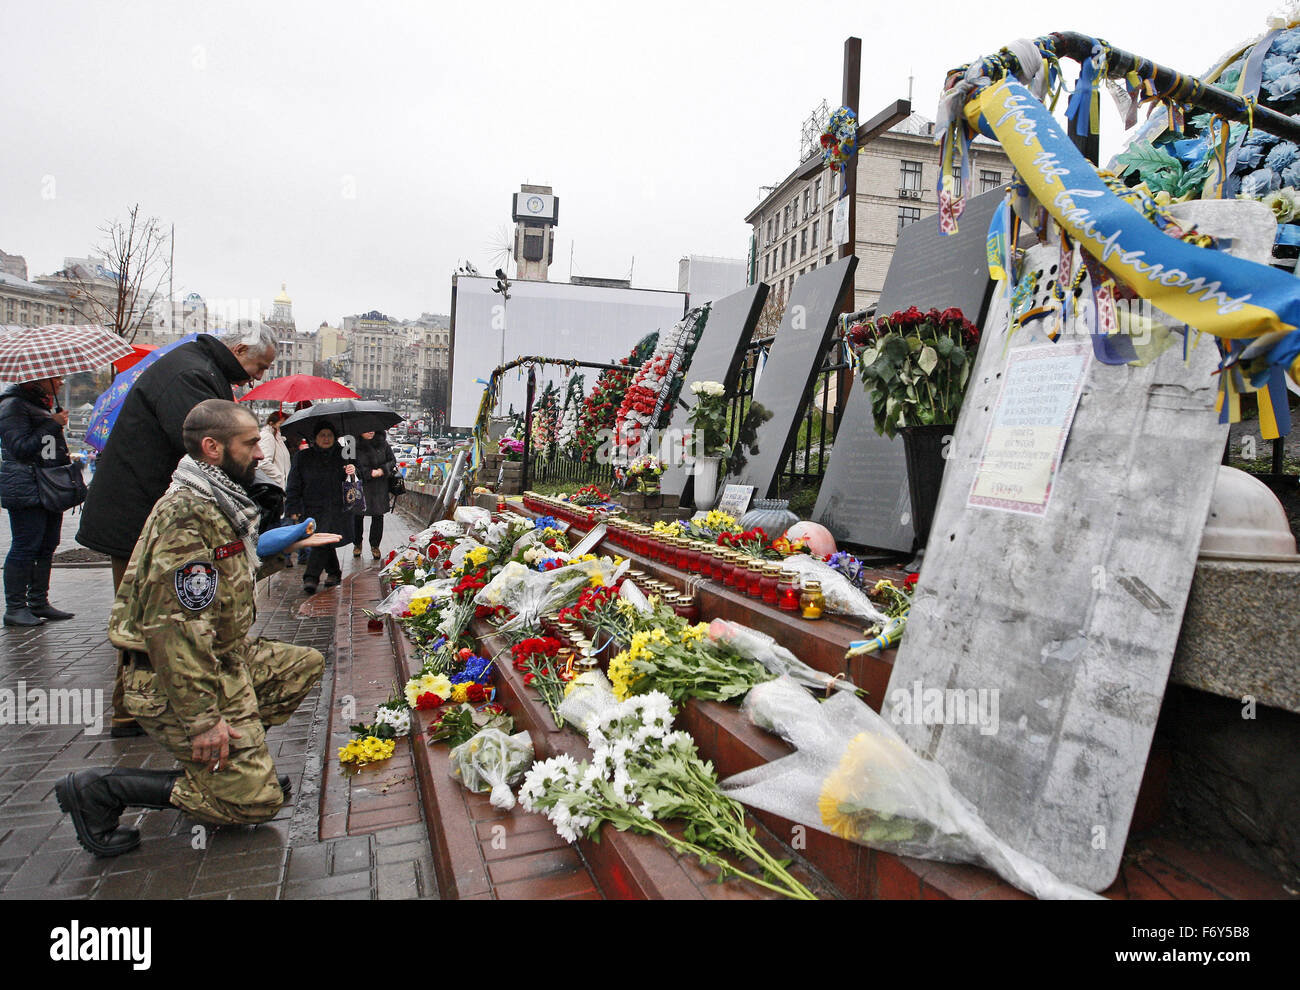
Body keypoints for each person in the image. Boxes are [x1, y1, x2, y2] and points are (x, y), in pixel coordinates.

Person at [54, 400, 339, 857]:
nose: (260, 453)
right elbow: (175, 630)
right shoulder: (187, 514)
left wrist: (279, 551)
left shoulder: (213, 498)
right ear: (213, 448)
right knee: (257, 805)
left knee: (302, 664)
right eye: (249, 444)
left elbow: (221, 579)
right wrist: (205, 722)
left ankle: (235, 766)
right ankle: (103, 790)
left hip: (221, 659)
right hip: (170, 678)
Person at [75, 321, 277, 736]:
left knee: (149, 617)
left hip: (144, 512)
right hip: (140, 516)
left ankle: (132, 712)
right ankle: (140, 713)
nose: (261, 376)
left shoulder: (198, 368)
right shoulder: (192, 376)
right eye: (260, 365)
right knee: (153, 619)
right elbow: (215, 449)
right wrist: (262, 494)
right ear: (238, 350)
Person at [0, 375, 76, 627]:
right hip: (25, 487)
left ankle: (38, 601)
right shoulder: (13, 405)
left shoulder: (37, 405)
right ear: (38, 379)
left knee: (47, 544)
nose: (60, 383)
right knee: (25, 546)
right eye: (55, 379)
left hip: (47, 485)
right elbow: (19, 448)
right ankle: (15, 607)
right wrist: (51, 424)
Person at [284, 422, 355, 594]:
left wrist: (352, 471)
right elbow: (294, 483)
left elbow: (356, 479)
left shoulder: (343, 455)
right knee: (324, 539)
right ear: (315, 438)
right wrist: (292, 505)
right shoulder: (303, 457)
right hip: (311, 506)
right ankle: (334, 572)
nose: (326, 438)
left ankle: (311, 577)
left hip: (336, 506)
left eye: (329, 435)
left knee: (323, 536)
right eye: (322, 435)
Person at [349, 429, 396, 561]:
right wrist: (368, 473)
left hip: (379, 486)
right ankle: (357, 543)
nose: (370, 431)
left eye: (373, 429)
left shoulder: (383, 444)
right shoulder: (353, 445)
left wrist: (382, 470)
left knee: (378, 515)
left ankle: (375, 545)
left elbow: (392, 461)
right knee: (357, 516)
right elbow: (349, 464)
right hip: (360, 485)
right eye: (367, 429)